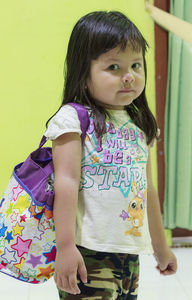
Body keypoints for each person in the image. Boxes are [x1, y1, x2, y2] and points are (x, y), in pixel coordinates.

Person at [45, 11, 177, 300]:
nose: (129, 76)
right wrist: (65, 246)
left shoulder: (140, 123)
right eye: (114, 66)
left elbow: (147, 189)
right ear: (83, 71)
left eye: (136, 65)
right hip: (87, 252)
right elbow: (65, 184)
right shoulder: (74, 119)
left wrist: (160, 245)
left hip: (128, 255)